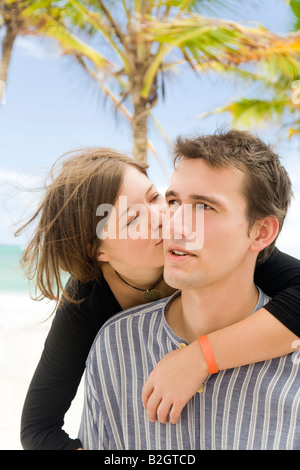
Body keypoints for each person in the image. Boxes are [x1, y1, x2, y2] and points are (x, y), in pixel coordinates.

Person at [18, 144, 300, 450]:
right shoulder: (89, 300)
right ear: (98, 251)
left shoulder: (227, 253)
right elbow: (38, 428)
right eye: (132, 220)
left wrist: (201, 357)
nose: (167, 219)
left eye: (156, 198)